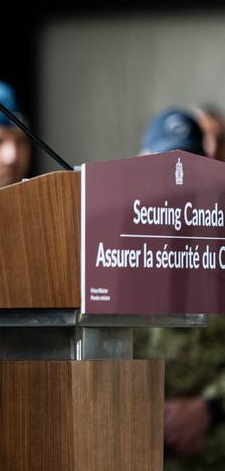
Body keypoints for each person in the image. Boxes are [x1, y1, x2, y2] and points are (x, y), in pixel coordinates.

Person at [132, 107, 225, 470]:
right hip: (131, 442)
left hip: (212, 447)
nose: (177, 176)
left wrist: (209, 406)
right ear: (139, 163)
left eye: (190, 163)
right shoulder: (108, 247)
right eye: (165, 162)